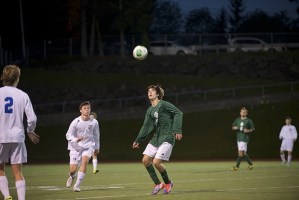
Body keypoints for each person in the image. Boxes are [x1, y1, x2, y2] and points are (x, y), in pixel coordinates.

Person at [132, 85, 183, 195]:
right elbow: (145, 126)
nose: (150, 92)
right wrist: (138, 140)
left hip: (167, 137)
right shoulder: (150, 110)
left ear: (158, 94)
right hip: (157, 138)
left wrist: (177, 129)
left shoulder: (164, 104)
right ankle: (158, 184)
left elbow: (178, 113)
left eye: (153, 91)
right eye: (148, 91)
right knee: (145, 160)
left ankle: (168, 183)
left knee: (156, 162)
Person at [0, 65, 39, 200]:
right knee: (18, 172)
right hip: (17, 137)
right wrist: (30, 130)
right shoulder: (23, 95)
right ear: (17, 78)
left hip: (1, 136)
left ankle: (7, 196)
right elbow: (32, 118)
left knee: (0, 169)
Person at [65, 101, 100, 192]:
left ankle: (76, 186)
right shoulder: (75, 122)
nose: (87, 110)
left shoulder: (94, 122)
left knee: (85, 162)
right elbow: (68, 135)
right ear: (81, 110)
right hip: (75, 147)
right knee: (73, 169)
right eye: (85, 108)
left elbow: (96, 136)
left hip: (88, 146)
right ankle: (72, 175)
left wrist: (97, 147)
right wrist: (76, 139)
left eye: (88, 108)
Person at [231, 107, 255, 171]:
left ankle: (236, 167)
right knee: (243, 153)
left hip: (244, 138)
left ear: (246, 113)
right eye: (242, 112)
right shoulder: (237, 119)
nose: (243, 113)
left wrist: (248, 130)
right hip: (238, 138)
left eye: (244, 112)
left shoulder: (249, 120)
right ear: (240, 113)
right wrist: (239, 128)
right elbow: (233, 127)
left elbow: (253, 129)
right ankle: (251, 164)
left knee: (241, 153)